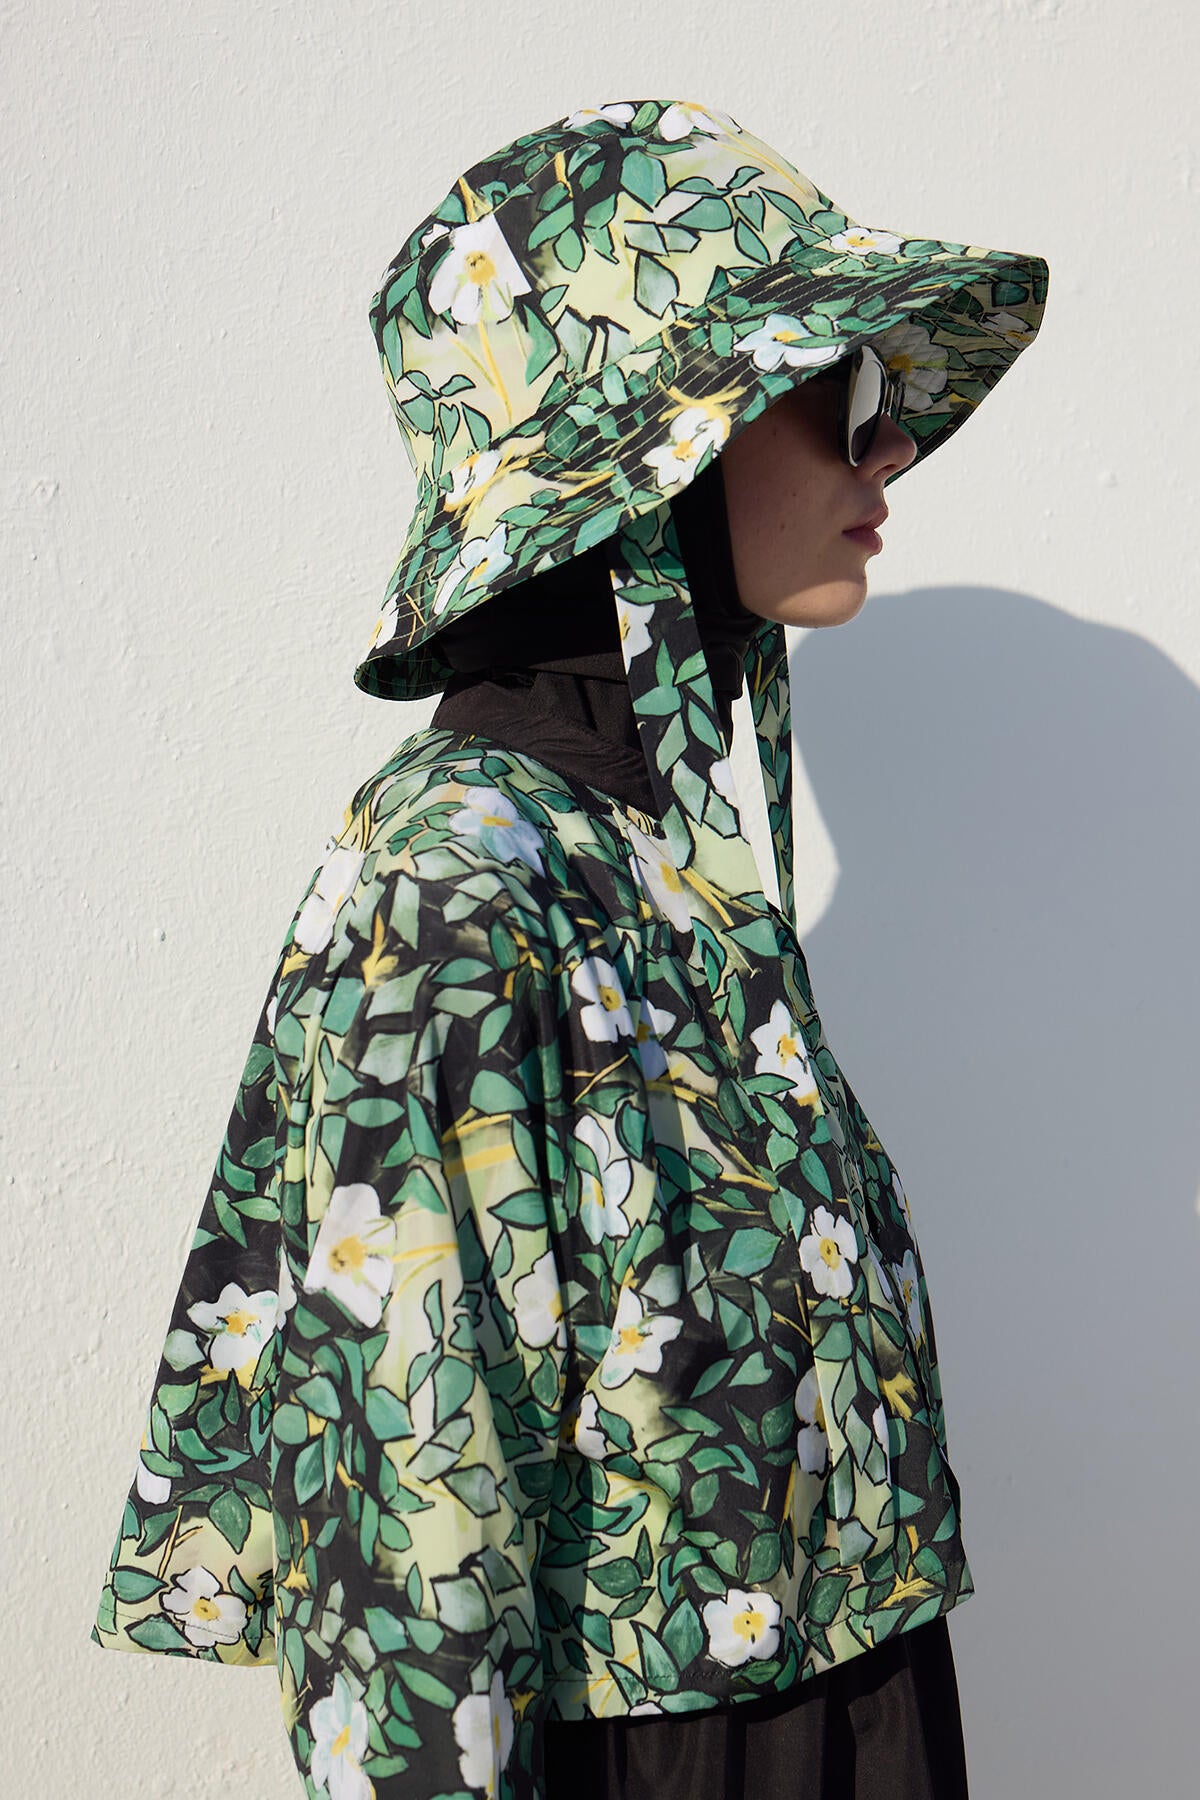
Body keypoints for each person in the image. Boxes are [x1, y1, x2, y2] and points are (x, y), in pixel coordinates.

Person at [90, 97, 1049, 1800]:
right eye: (834, 395)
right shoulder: (461, 884)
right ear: (651, 461)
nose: (887, 452)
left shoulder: (659, 869)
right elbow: (404, 1537)